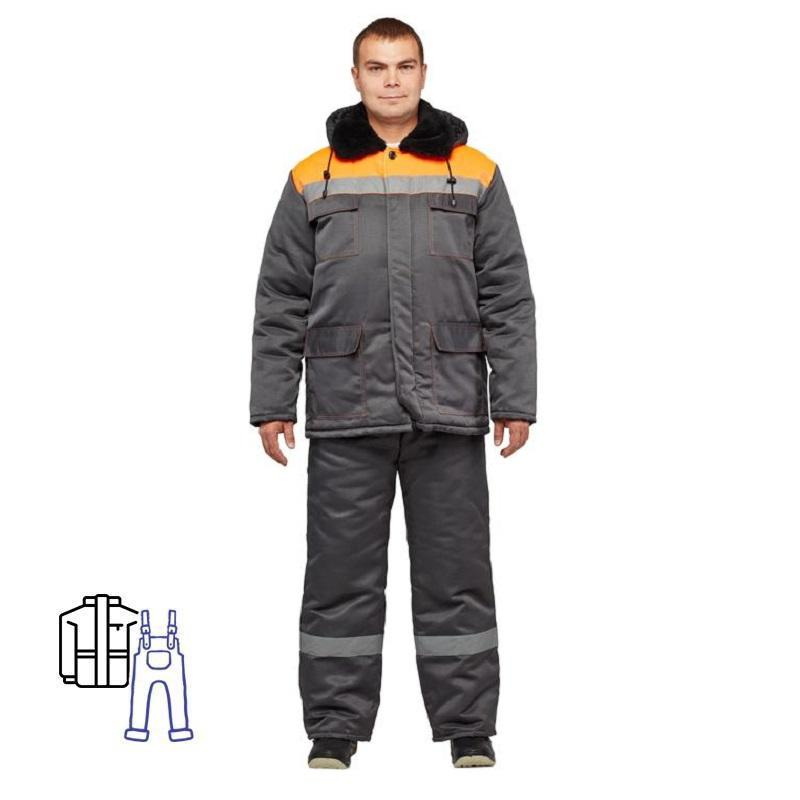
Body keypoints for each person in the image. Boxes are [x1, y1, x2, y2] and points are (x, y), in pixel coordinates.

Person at [249, 17, 537, 769]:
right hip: (347, 407)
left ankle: (468, 726)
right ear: (355, 77)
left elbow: (507, 293)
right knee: (339, 577)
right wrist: (274, 402)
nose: (391, 80)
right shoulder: (313, 176)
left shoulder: (473, 172)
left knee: (457, 575)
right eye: (376, 67)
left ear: (423, 73)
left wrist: (514, 397)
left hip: (449, 406)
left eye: (404, 66)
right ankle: (334, 727)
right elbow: (281, 297)